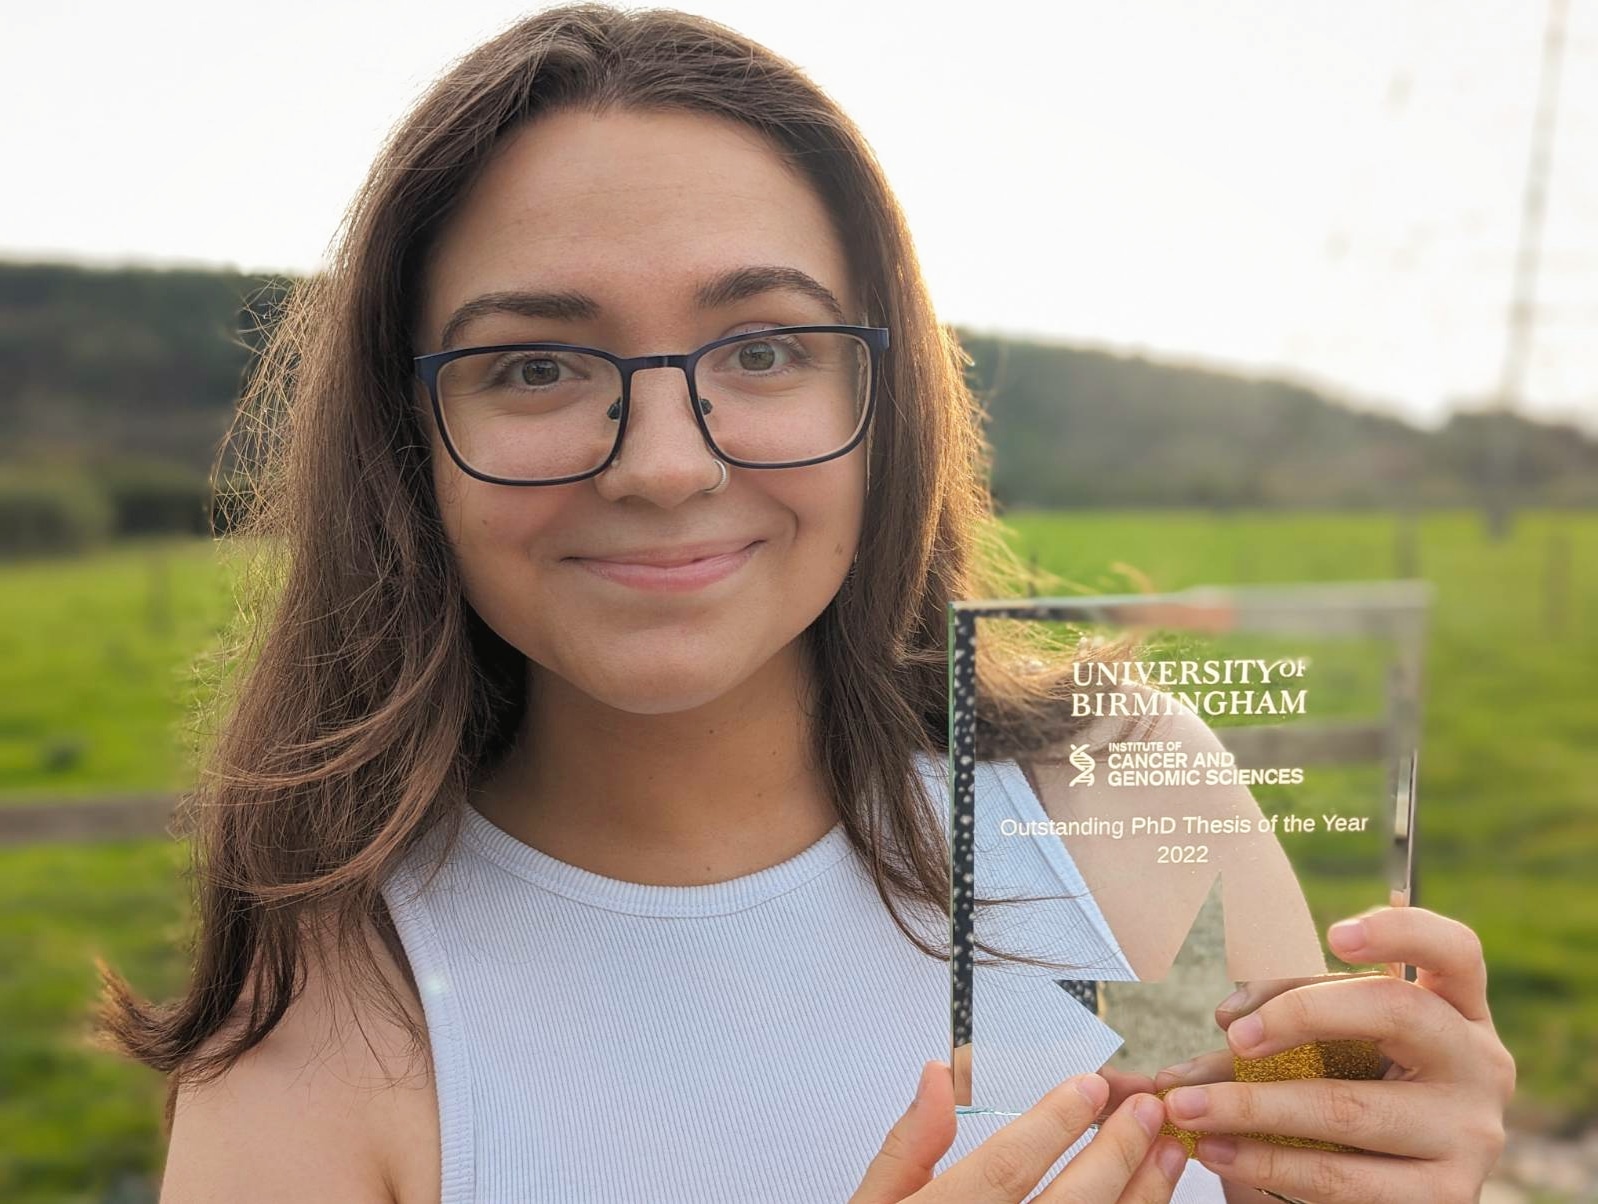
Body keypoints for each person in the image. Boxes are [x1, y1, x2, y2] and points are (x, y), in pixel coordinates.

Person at [93, 6, 1516, 1203]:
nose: (665, 464)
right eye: (533, 366)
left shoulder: (1127, 786)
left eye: (764, 347)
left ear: (878, 397)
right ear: (407, 439)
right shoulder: (318, 1040)